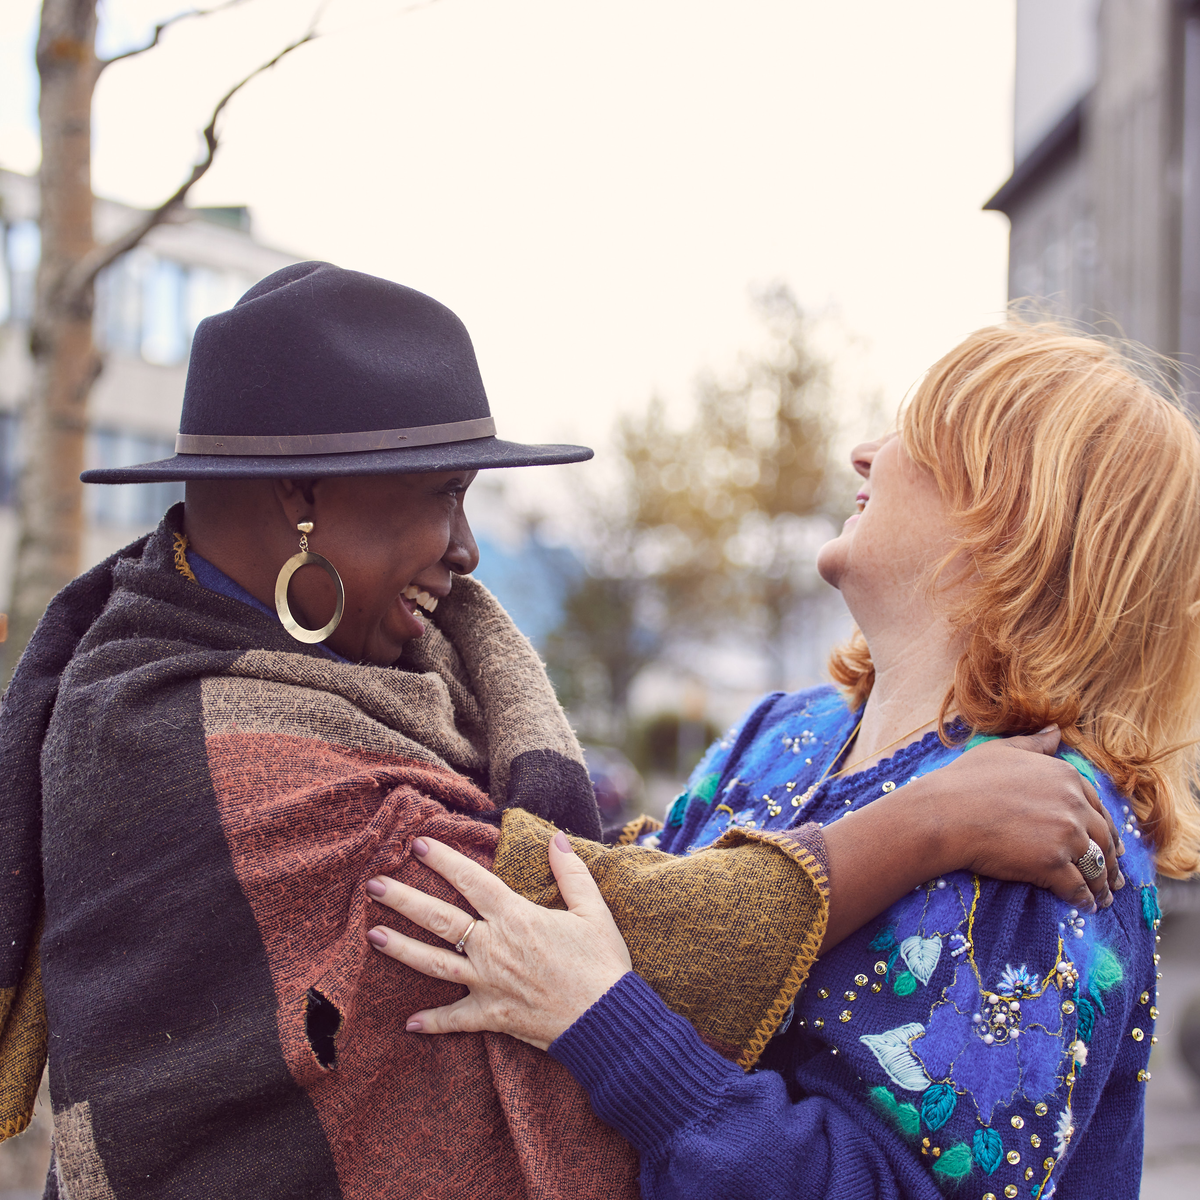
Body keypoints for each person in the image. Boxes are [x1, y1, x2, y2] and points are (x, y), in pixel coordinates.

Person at [0, 271, 1115, 1199]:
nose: (468, 548)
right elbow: (587, 923)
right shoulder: (189, 731)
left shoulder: (369, 672)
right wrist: (927, 826)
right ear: (302, 496)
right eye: (443, 493)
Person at [370, 321, 1200, 1200]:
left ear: (1012, 512)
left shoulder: (1044, 828)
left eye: (914, 434)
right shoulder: (785, 730)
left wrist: (607, 1027)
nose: (863, 453)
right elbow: (624, 921)